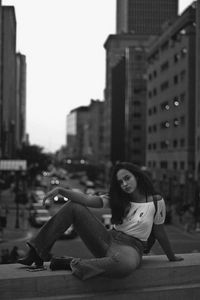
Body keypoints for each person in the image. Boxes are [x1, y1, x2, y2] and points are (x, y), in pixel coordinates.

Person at [18, 162, 183, 280]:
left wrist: (172, 257)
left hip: (132, 248)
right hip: (107, 239)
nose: (125, 184)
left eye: (127, 178)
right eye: (120, 182)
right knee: (75, 206)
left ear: (137, 177)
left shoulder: (156, 201)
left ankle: (69, 263)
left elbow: (160, 231)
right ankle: (37, 251)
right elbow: (87, 199)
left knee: (124, 266)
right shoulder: (117, 199)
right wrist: (61, 190)